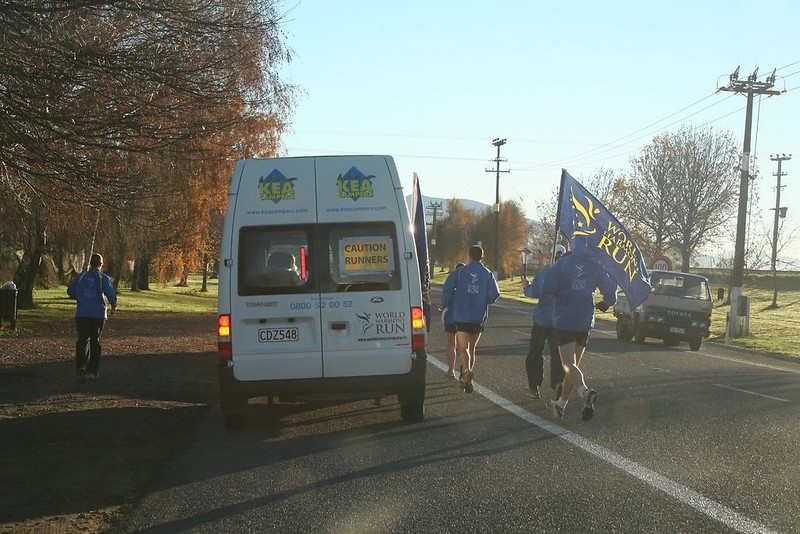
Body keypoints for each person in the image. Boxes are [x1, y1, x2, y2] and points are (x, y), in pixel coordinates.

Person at [543, 237, 616, 420]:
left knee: (568, 365)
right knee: (573, 366)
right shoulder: (595, 263)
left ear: (571, 246)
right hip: (585, 320)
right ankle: (560, 406)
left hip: (565, 319)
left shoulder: (563, 262)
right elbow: (611, 293)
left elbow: (548, 287)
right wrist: (606, 303)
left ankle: (584, 392)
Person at [441, 245, 500, 394]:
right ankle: (468, 376)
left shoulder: (461, 272)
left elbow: (448, 287)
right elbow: (495, 293)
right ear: (482, 257)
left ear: (469, 256)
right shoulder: (487, 274)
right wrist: (484, 301)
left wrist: (445, 303)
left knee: (463, 348)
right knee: (472, 349)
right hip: (478, 316)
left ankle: (466, 370)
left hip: (462, 315)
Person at [520, 244, 566, 400]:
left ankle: (534, 387)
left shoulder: (546, 272)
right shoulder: (568, 274)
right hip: (560, 321)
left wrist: (526, 287)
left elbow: (534, 292)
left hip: (542, 319)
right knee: (558, 354)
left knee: (535, 352)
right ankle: (558, 382)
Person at [67, 253, 117, 383]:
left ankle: (81, 366)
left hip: (82, 313)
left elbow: (70, 290)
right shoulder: (103, 278)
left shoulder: (81, 276)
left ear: (90, 264)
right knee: (96, 341)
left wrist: (79, 296)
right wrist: (113, 305)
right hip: (98, 314)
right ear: (101, 264)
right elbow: (110, 292)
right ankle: (93, 371)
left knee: (83, 340)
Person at [438, 262, 465, 380]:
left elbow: (446, 295)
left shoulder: (452, 281)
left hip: (451, 317)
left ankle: (451, 371)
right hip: (465, 318)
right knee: (464, 347)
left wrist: (444, 305)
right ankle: (465, 369)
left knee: (451, 344)